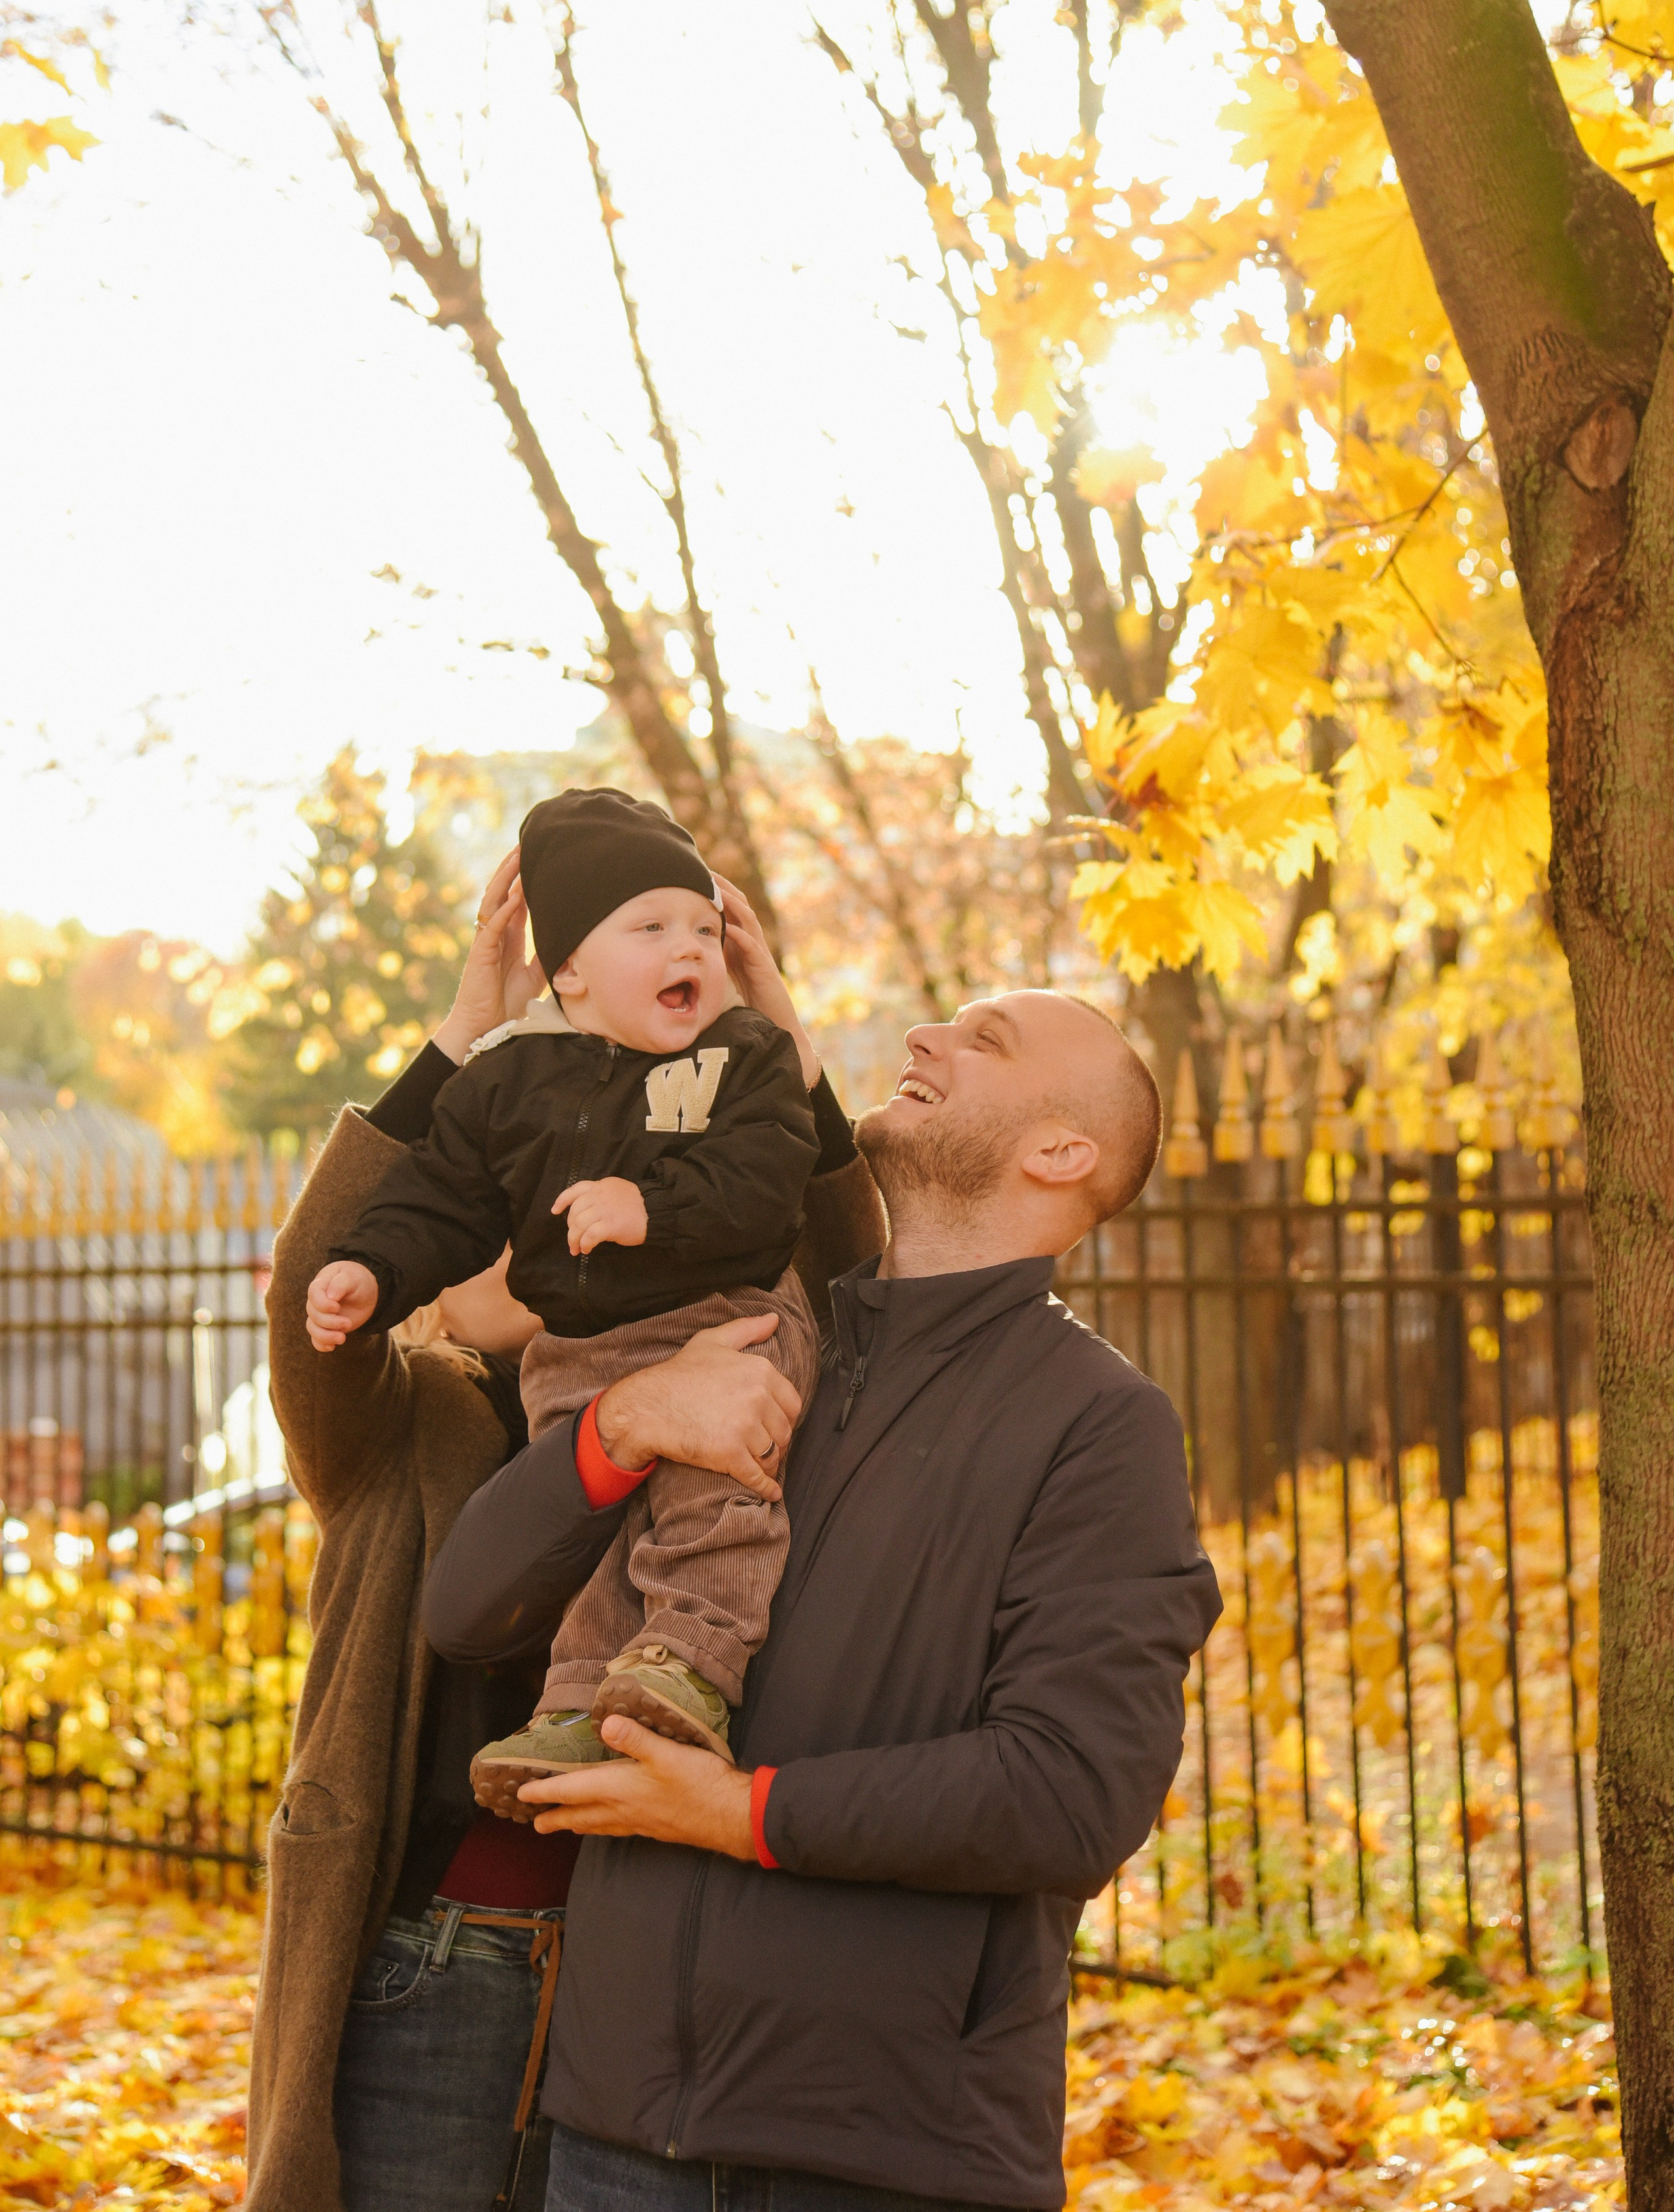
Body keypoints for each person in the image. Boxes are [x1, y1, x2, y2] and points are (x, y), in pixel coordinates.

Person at [426, 984, 1225, 2212]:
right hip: (610, 2133)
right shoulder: (740, 1336)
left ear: (1063, 1152)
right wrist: (623, 1423)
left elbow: (1073, 1792)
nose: (924, 1037)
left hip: (886, 2154)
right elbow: (467, 1615)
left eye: (984, 1039)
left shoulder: (1100, 1424)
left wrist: (739, 1813)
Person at [244, 852, 884, 2212]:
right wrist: (467, 1029)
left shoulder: (716, 1363)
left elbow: (843, 1263)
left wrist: (774, 1029)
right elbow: (321, 1283)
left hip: (651, 1957)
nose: (536, 1219)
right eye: (499, 1206)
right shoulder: (400, 1420)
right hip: (434, 1955)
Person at [305, 789, 823, 1797]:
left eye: (704, 929)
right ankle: (582, 1700)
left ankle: (693, 1658)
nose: (689, 947)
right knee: (595, 1538)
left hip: (728, 1318)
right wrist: (372, 1268)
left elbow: (772, 1181)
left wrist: (649, 1207)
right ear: (568, 970)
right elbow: (440, 1197)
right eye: (650, 927)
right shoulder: (508, 1082)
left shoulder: (742, 1057)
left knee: (710, 1491)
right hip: (580, 1352)